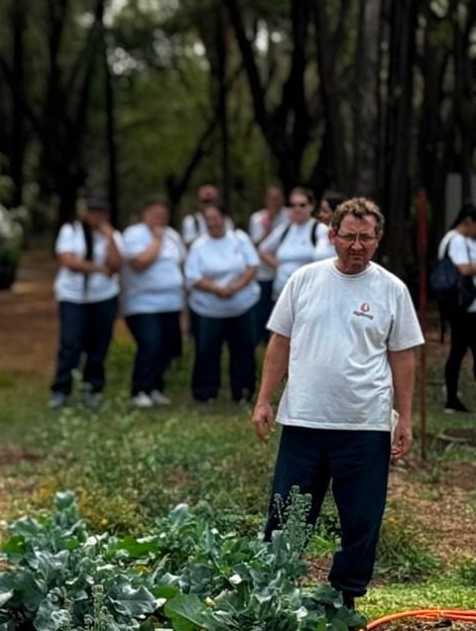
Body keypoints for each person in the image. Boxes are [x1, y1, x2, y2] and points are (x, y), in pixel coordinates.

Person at [253, 197, 421, 604]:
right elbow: (280, 342)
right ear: (332, 235)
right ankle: (275, 591)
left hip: (364, 424)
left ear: (378, 239)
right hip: (304, 421)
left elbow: (403, 355)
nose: (357, 246)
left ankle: (345, 596)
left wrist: (405, 418)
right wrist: (264, 400)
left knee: (361, 518)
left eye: (366, 238)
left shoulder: (391, 289)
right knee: (287, 512)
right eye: (349, 236)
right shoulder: (304, 280)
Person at [184, 199, 259, 403]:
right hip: (209, 307)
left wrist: (235, 287)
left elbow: (252, 266)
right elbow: (192, 276)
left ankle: (243, 391)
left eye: (216, 218)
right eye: (208, 219)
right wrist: (216, 289)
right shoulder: (199, 245)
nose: (212, 222)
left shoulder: (239, 239)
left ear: (224, 218)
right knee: (207, 349)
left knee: (243, 349)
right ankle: (206, 392)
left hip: (241, 304)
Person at [50, 198, 122, 408]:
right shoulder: (71, 231)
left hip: (103, 296)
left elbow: (116, 265)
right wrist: (99, 269)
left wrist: (109, 239)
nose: (96, 217)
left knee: (98, 346)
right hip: (73, 296)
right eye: (92, 212)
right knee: (71, 344)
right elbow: (69, 262)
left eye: (100, 212)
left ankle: (93, 389)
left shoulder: (113, 235)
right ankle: (61, 389)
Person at [120, 198, 186, 408]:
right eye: (155, 214)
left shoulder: (173, 235)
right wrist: (157, 240)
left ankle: (155, 387)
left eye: (163, 215)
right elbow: (140, 264)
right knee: (151, 342)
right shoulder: (133, 234)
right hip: (142, 303)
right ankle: (139, 389)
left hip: (171, 302)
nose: (160, 219)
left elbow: (181, 263)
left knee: (167, 347)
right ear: (144, 214)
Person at [258, 187, 330, 299]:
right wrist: (279, 266)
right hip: (281, 295)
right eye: (293, 205)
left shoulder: (319, 229)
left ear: (311, 206)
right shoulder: (284, 229)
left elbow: (326, 259)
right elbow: (262, 249)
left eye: (302, 205)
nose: (297, 209)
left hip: (307, 296)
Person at [441, 206, 476, 413]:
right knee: (458, 352)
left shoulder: (463, 241)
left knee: (458, 351)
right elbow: (463, 268)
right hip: (463, 308)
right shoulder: (455, 240)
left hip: (466, 306)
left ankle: (452, 398)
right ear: (468, 221)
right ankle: (451, 398)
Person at [246, 184, 284, 342]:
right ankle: (261, 344)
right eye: (271, 199)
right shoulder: (257, 218)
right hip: (263, 273)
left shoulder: (288, 217)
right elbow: (254, 246)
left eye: (277, 199)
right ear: (266, 200)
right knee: (261, 311)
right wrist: (268, 230)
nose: (274, 202)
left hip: (281, 274)